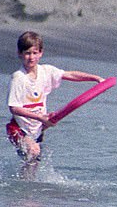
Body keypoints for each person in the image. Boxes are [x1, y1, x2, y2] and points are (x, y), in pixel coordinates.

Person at [7, 31, 105, 164]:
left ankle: (24, 184)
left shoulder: (46, 71)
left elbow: (69, 75)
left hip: (37, 128)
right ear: (20, 53)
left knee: (33, 164)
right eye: (27, 53)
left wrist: (95, 78)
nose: (31, 57)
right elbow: (14, 108)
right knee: (34, 151)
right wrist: (40, 117)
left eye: (35, 53)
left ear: (41, 53)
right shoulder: (18, 78)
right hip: (18, 128)